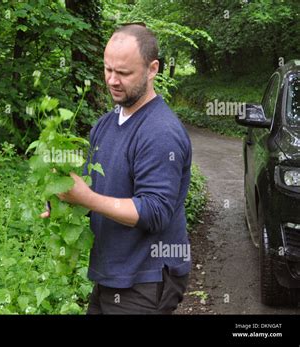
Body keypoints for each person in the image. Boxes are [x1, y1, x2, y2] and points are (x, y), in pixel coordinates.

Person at [42, 24, 192, 314]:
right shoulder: (106, 123)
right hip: (112, 272)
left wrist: (87, 199)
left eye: (123, 73)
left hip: (145, 278)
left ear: (152, 69)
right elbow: (94, 186)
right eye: (108, 69)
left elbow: (156, 211)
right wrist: (63, 198)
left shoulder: (160, 132)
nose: (112, 80)